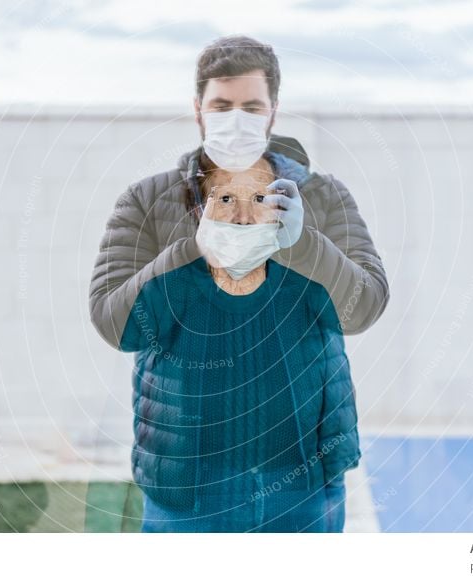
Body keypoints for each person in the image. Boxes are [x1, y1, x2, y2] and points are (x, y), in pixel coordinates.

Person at [88, 34, 390, 531]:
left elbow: (364, 308)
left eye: (251, 106)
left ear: (273, 111)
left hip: (303, 478)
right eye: (221, 105)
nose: (236, 118)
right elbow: (115, 325)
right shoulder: (146, 201)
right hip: (186, 483)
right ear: (198, 109)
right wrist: (190, 251)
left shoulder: (324, 196)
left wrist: (303, 243)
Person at [117, 162, 359, 532]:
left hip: (303, 486)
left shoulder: (316, 227)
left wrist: (307, 247)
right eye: (227, 199)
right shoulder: (158, 229)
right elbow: (127, 329)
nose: (244, 217)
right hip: (191, 490)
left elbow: (355, 310)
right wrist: (191, 255)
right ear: (200, 209)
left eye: (260, 199)